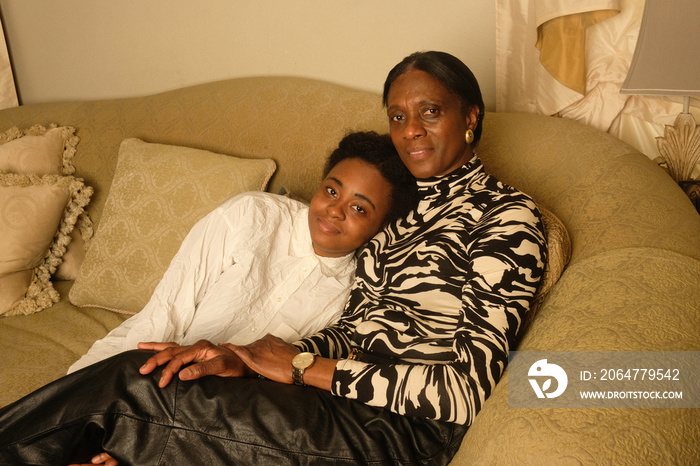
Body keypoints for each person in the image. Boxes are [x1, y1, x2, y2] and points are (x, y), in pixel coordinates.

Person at [0, 51, 547, 466]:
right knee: (170, 374)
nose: (411, 131)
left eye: (430, 112)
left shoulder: (508, 219)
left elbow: (462, 393)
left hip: (397, 434)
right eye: (398, 116)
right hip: (331, 403)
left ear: (470, 117)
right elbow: (354, 331)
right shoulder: (396, 217)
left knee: (130, 386)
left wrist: (305, 368)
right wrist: (249, 358)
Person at [67, 130, 418, 374]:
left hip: (223, 410)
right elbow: (166, 311)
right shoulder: (252, 215)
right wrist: (99, 389)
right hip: (149, 365)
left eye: (360, 209)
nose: (334, 210)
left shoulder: (357, 291)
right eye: (331, 191)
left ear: (382, 227)